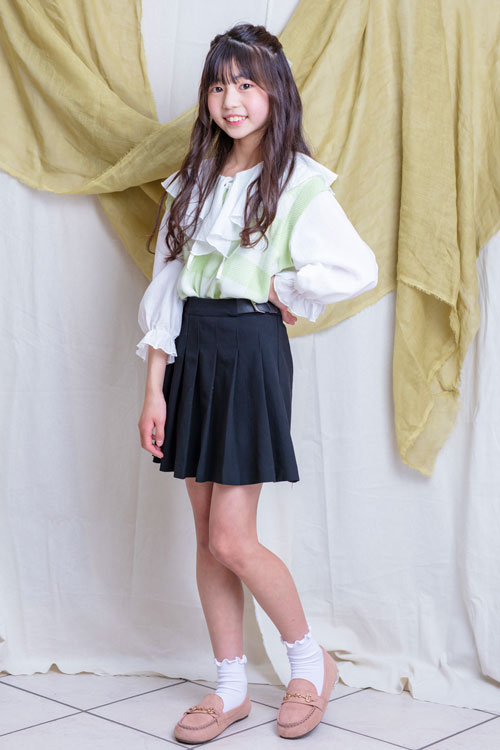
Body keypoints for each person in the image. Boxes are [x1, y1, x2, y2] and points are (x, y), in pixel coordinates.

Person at [136, 22, 378, 743]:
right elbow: (167, 288)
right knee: (207, 537)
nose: (231, 100)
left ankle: (309, 663)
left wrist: (286, 286)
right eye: (218, 85)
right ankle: (231, 687)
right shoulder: (194, 182)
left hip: (250, 350)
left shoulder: (296, 180)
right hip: (193, 351)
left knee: (233, 537)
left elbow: (356, 267)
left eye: (245, 83)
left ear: (274, 91)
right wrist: (154, 388)